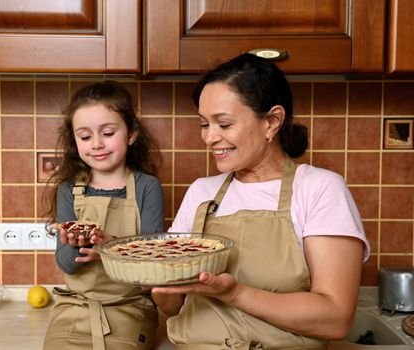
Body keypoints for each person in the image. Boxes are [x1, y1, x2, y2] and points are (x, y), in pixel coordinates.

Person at [151, 54, 370, 350]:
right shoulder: (202, 193)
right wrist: (156, 280)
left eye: (224, 124)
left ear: (272, 121)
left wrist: (235, 294)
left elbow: (335, 318)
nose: (209, 137)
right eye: (204, 124)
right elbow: (174, 308)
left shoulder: (319, 189)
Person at [43, 81, 165, 350]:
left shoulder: (147, 187)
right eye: (85, 137)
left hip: (131, 307)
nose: (97, 144)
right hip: (75, 305)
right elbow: (66, 264)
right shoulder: (68, 190)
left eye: (108, 133)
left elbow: (155, 263)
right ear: (75, 142)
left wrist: (111, 247)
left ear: (131, 133)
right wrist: (78, 245)